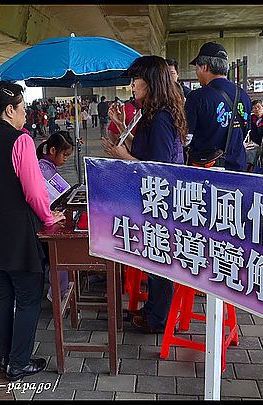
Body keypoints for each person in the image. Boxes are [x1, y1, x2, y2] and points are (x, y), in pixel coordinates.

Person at [0, 81, 66, 381]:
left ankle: (6, 357)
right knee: (29, 295)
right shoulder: (21, 141)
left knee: (1, 295)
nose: (25, 115)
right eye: (22, 109)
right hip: (16, 232)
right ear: (9, 109)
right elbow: (34, 192)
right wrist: (48, 218)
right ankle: (19, 362)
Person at [101, 55, 188, 334]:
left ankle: (158, 319)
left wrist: (123, 156)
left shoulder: (160, 118)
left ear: (150, 82)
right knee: (153, 257)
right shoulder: (153, 114)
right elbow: (145, 153)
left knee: (160, 258)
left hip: (162, 199)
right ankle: (153, 310)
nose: (132, 85)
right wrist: (121, 131)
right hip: (154, 197)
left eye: (135, 79)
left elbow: (158, 168)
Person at [185, 41, 251, 172]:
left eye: (197, 67)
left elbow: (186, 138)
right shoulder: (243, 96)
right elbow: (245, 131)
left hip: (206, 170)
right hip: (238, 168)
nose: (196, 72)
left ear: (204, 67)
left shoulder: (197, 97)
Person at [35, 131, 74, 302]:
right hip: (43, 220)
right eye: (64, 155)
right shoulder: (42, 168)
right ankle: (56, 294)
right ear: (52, 150)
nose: (66, 159)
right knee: (60, 254)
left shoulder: (46, 165)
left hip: (47, 216)